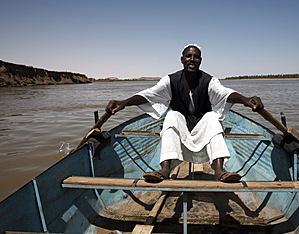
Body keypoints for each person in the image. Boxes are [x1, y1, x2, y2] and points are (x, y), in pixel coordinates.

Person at [106, 44, 264, 182]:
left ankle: (219, 171)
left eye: (196, 57)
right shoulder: (171, 80)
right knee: (171, 116)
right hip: (181, 127)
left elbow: (224, 93)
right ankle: (165, 170)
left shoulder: (209, 80)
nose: (192, 59)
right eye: (188, 56)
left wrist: (244, 99)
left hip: (202, 126)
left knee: (212, 117)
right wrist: (124, 103)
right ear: (182, 59)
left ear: (200, 61)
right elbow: (149, 95)